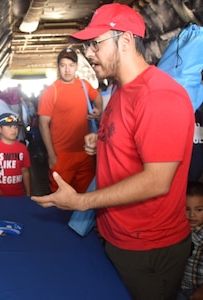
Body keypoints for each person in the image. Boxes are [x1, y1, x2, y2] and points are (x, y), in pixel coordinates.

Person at [31, 3, 194, 299]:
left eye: (95, 44)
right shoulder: (119, 91)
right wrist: (102, 142)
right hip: (114, 235)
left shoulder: (158, 96)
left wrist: (81, 202)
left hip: (147, 248)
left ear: (126, 40)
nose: (88, 54)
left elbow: (157, 180)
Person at [38, 48, 103, 193]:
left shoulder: (84, 85)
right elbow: (43, 124)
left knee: (86, 196)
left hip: (85, 152)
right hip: (61, 154)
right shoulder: (51, 91)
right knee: (60, 197)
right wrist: (52, 155)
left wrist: (98, 110)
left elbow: (98, 97)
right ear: (58, 67)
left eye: (71, 65)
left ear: (77, 67)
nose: (67, 70)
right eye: (63, 65)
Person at [178, 181, 203, 300]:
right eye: (187, 209)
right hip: (179, 287)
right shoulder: (178, 228)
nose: (192, 215)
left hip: (198, 290)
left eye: (199, 210)